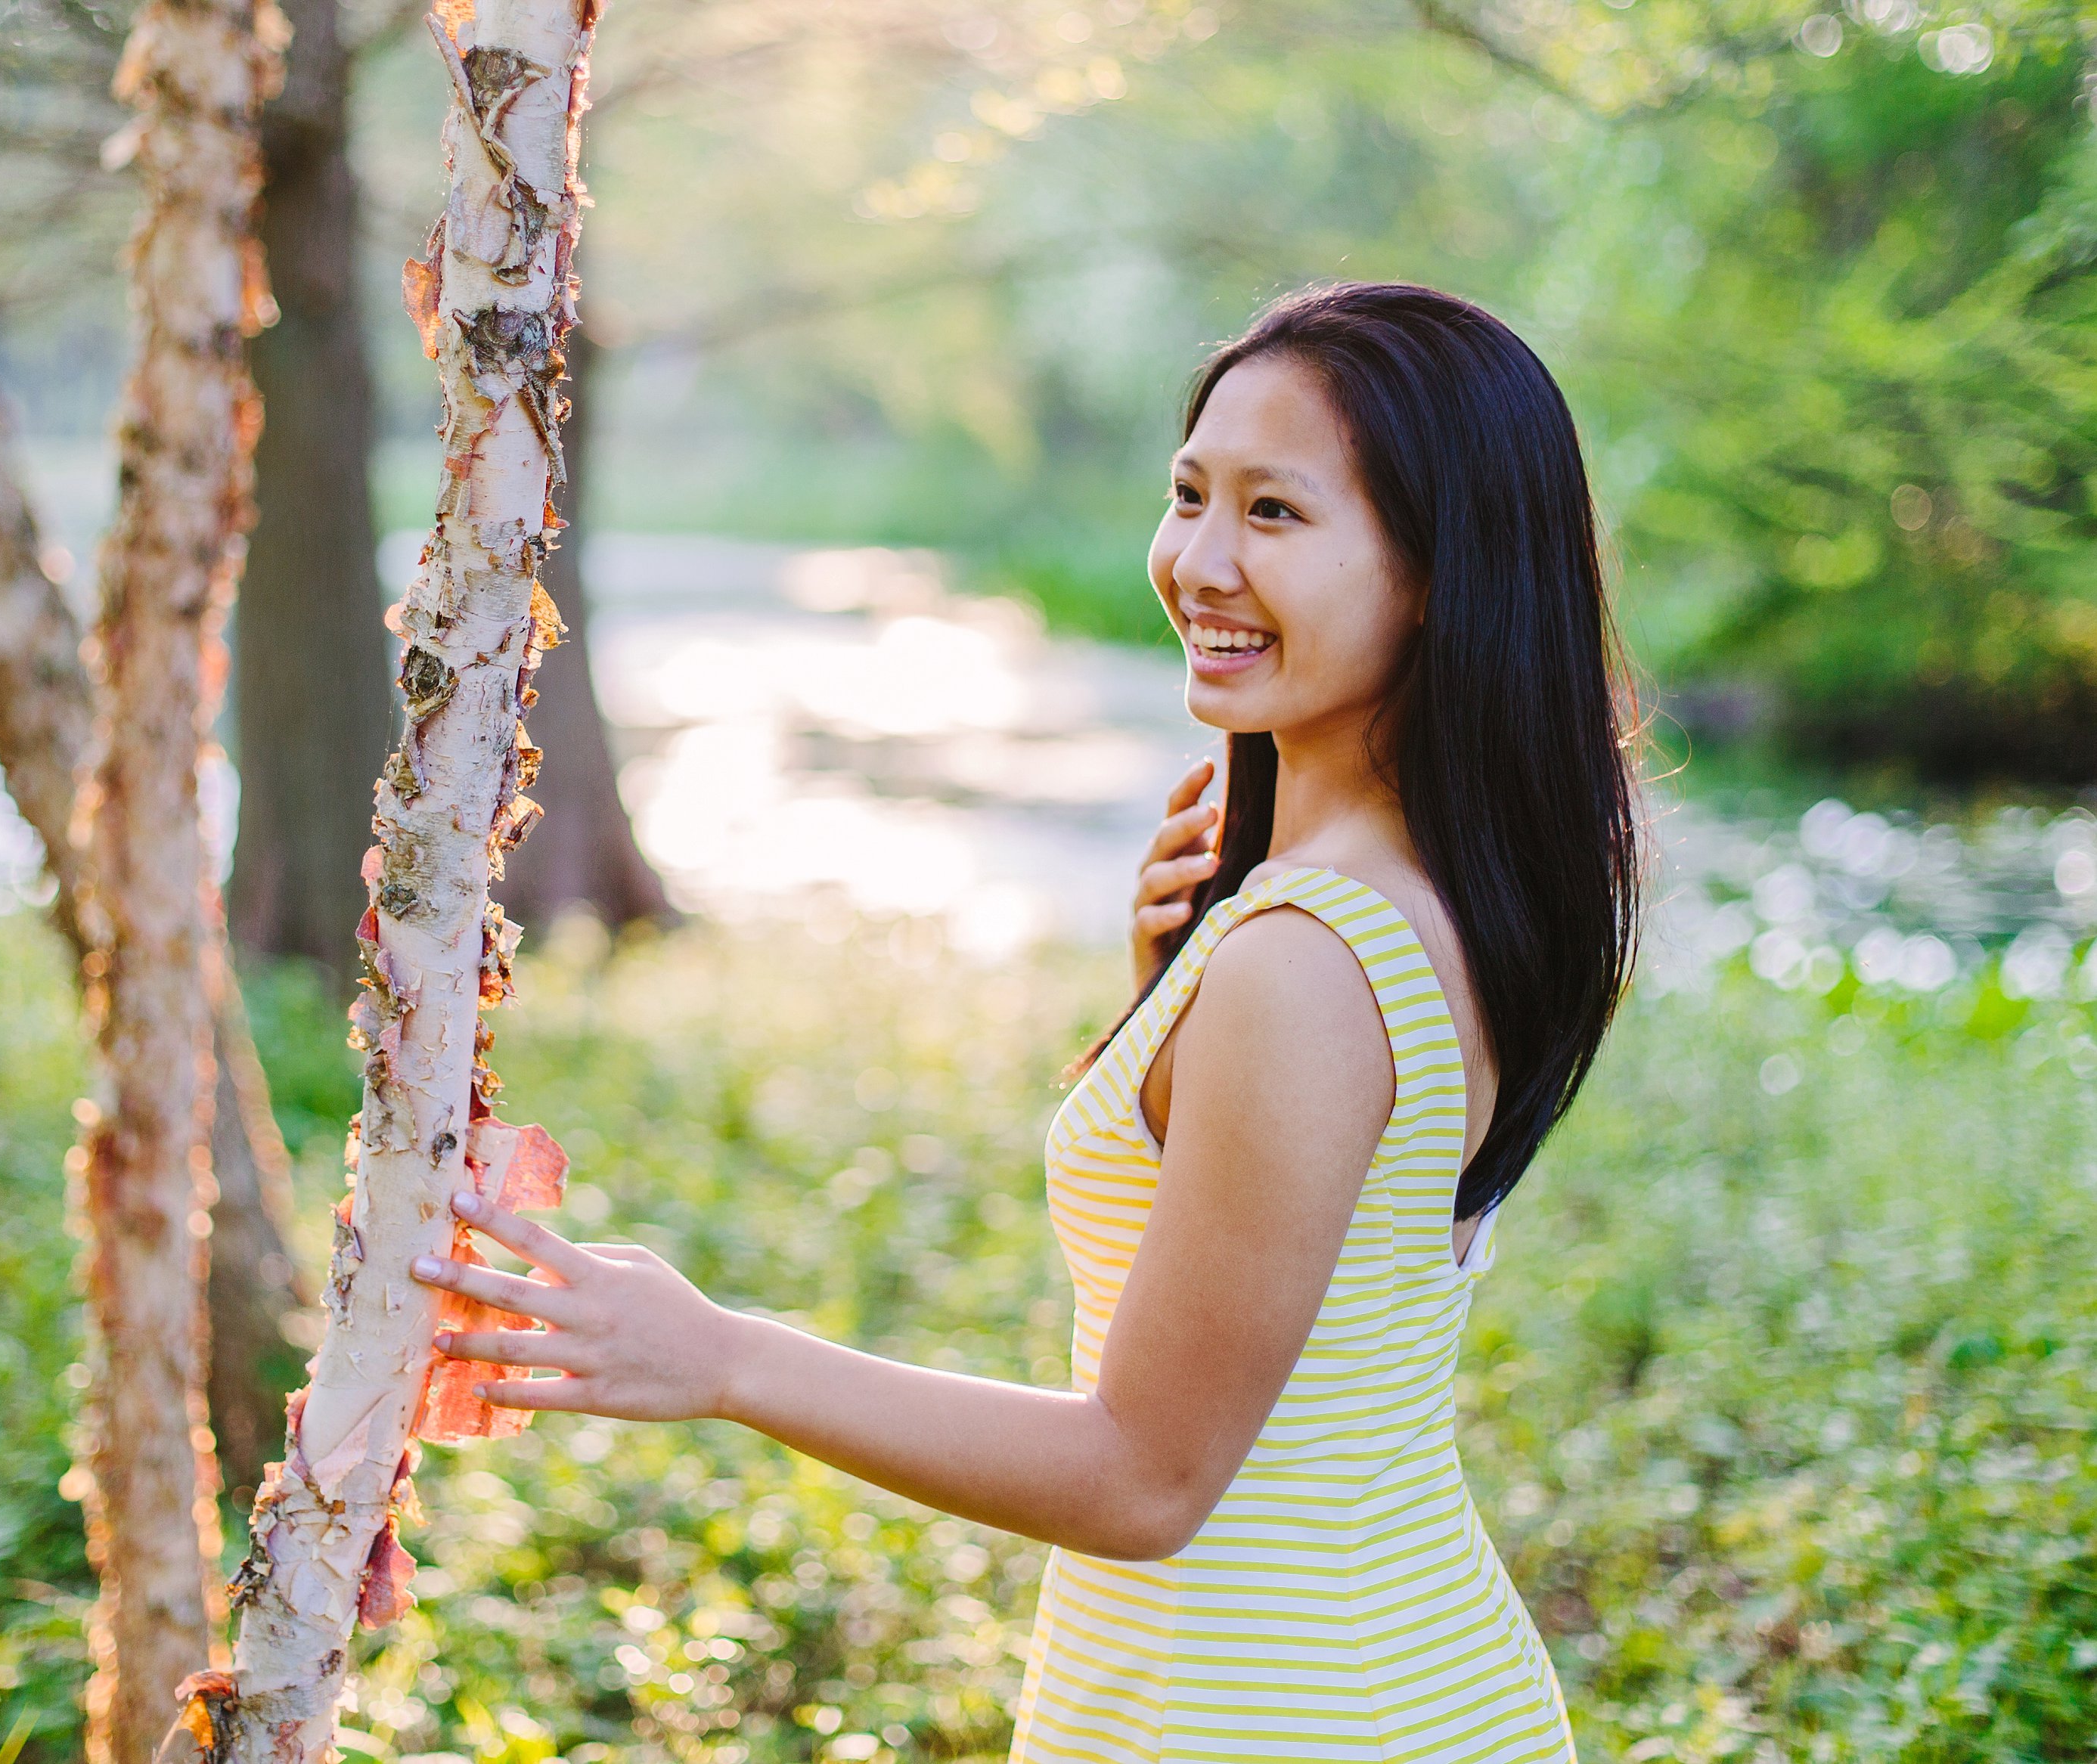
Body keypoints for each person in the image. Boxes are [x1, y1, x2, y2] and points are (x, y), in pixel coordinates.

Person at [411, 281, 1643, 1762]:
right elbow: (1324, 1307)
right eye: (1190, 495)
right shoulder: (1418, 897)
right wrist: (1165, 1008)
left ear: (1438, 568)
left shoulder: (1306, 957)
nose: (1198, 561)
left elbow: (1145, 1477)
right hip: (1351, 1681)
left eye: (1275, 514)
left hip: (1282, 1715)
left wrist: (723, 1357)